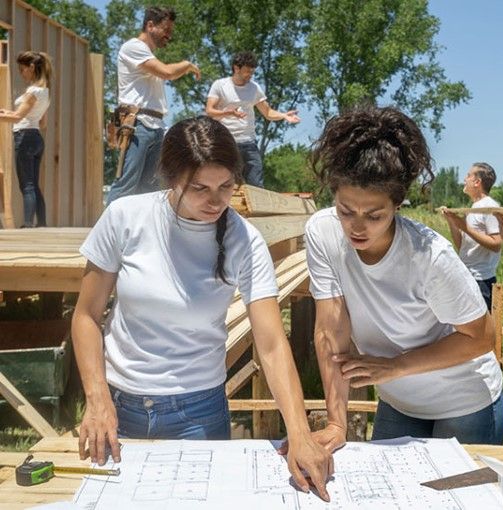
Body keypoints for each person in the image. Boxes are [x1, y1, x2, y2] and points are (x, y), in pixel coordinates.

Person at [72, 116, 333, 501]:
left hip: (198, 414)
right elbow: (86, 317)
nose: (216, 201)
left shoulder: (245, 241)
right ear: (171, 178)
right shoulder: (125, 218)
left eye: (226, 186)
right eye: (200, 188)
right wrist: (97, 400)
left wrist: (299, 432)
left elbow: (273, 343)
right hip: (118, 408)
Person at [303, 106, 503, 451]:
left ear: (397, 204)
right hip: (399, 399)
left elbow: (482, 337)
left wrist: (396, 366)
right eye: (346, 211)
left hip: (465, 402)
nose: (357, 226)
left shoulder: (429, 256)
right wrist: (337, 423)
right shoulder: (322, 233)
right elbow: (330, 331)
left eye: (374, 214)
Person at [107, 6, 201, 205]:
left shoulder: (148, 56)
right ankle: (107, 234)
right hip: (137, 124)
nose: (169, 35)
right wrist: (187, 65)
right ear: (150, 25)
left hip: (155, 126)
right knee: (126, 184)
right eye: (166, 29)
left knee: (148, 189)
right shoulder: (133, 47)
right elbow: (167, 72)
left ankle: (139, 235)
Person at [205, 51, 299, 188]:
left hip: (249, 143)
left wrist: (284, 116)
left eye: (252, 72)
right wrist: (228, 113)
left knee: (256, 185)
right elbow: (210, 111)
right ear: (236, 68)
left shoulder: (254, 88)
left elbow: (267, 112)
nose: (250, 75)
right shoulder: (220, 85)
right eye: (247, 71)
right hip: (226, 143)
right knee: (227, 185)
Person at [0, 51, 52, 228]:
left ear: (31, 67)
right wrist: (6, 113)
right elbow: (42, 122)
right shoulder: (45, 92)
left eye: (22, 69)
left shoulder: (32, 91)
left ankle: (28, 225)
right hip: (36, 138)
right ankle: (42, 224)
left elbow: (16, 118)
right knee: (34, 185)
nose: (21, 73)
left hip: (24, 137)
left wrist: (7, 115)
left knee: (27, 185)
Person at [441, 163, 502, 309]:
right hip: (467, 276)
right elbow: (462, 246)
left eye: (468, 175)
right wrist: (452, 222)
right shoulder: (473, 208)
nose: (464, 179)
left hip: (482, 281)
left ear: (477, 182)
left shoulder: (490, 207)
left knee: (480, 331)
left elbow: (496, 244)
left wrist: (464, 226)